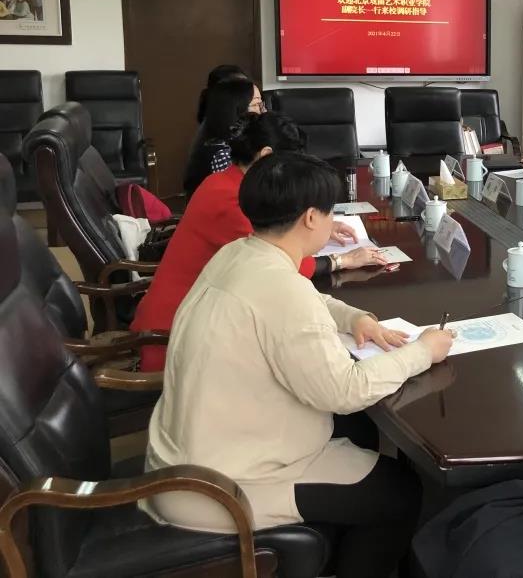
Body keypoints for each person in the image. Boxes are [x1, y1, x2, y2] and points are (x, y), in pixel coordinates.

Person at [145, 152, 453, 578]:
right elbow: (345, 390)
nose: (331, 221)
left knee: (359, 430)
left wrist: (354, 317)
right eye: (329, 212)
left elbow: (306, 297)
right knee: (399, 492)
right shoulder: (280, 288)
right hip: (221, 485)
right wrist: (423, 352)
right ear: (310, 218)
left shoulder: (239, 253)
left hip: (190, 454)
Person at [132, 112, 387, 371]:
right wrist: (342, 260)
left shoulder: (225, 181)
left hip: (197, 317)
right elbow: (281, 263)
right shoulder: (233, 201)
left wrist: (321, 224)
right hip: (174, 337)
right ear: (266, 156)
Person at [183, 78, 264, 194]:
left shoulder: (234, 139)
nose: (263, 111)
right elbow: (239, 195)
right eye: (256, 104)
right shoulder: (223, 152)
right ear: (234, 109)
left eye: (261, 104)